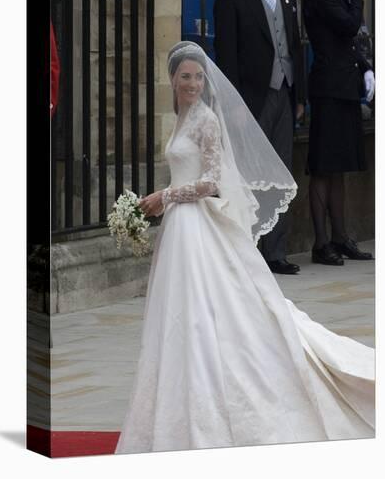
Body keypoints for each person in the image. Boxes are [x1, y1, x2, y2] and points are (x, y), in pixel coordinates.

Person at [114, 41, 374, 455]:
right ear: (172, 80)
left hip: (196, 224)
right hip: (180, 230)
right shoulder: (179, 120)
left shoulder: (206, 121)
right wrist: (163, 201)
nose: (194, 83)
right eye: (186, 76)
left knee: (209, 312)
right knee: (179, 314)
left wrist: (165, 195)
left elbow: (213, 182)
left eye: (199, 76)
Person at [213, 0, 304, 275]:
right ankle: (246, 250)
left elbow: (294, 43)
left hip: (285, 92)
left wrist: (300, 96)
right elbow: (225, 50)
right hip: (251, 98)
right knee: (249, 174)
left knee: (280, 173)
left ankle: (276, 252)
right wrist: (233, 101)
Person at [304, 0, 375, 265]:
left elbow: (349, 41)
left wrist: (365, 66)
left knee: (340, 165)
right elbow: (348, 26)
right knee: (324, 166)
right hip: (329, 87)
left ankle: (340, 237)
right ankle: (321, 242)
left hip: (345, 85)